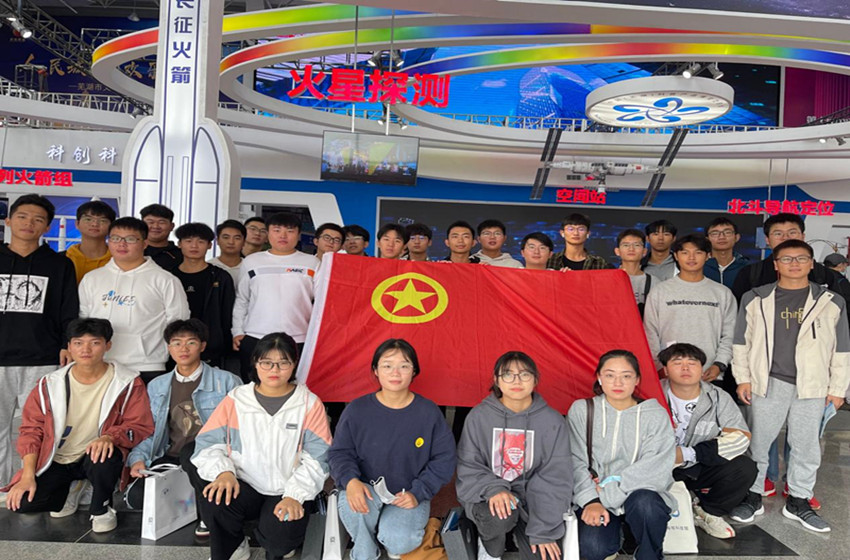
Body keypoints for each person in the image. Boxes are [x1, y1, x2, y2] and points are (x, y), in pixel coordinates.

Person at [730, 239, 850, 533]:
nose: (794, 263)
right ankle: (753, 495)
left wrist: (838, 389)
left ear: (811, 264)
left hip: (813, 386)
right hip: (767, 382)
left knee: (807, 446)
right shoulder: (755, 298)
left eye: (801, 258)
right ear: (776, 264)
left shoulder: (831, 301)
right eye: (786, 259)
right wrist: (743, 378)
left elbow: (842, 349)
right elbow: (741, 342)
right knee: (758, 443)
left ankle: (798, 500)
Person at [2, 318, 154, 532]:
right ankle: (72, 488)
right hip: (58, 457)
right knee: (23, 504)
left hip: (96, 455)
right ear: (69, 347)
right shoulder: (49, 384)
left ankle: (102, 509)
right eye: (78, 343)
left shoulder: (127, 382)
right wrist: (27, 475)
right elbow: (31, 430)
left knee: (103, 453)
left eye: (95, 343)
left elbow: (139, 425)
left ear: (108, 345)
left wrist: (109, 437)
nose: (86, 349)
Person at [193, 332, 331, 560]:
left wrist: (295, 495)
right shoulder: (237, 399)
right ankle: (234, 546)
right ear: (255, 363)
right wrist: (224, 472)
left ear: (294, 364)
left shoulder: (308, 403)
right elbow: (208, 442)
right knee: (215, 499)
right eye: (266, 362)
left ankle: (277, 539)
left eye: (283, 363)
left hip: (286, 489)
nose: (274, 370)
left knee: (279, 542)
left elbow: (319, 458)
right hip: (245, 484)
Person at [328, 339, 456, 560]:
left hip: (408, 493)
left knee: (399, 539)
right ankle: (365, 552)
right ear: (375, 370)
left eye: (404, 366)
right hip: (365, 488)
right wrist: (350, 481)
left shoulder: (428, 412)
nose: (395, 372)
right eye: (387, 365)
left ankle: (391, 540)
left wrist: (419, 492)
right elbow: (340, 452)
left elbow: (444, 458)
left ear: (414, 371)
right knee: (355, 510)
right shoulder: (357, 409)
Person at [125, 319, 241, 538]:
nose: (183, 349)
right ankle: (195, 498)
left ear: (202, 346)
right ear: (169, 348)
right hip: (172, 457)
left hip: (210, 457)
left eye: (191, 342)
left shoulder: (227, 381)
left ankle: (204, 509)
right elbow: (151, 430)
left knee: (210, 486)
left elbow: (238, 429)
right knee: (137, 498)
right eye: (177, 343)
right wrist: (138, 458)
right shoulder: (158, 385)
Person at [456, 351, 572, 560]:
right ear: (496, 380)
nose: (517, 381)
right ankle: (490, 547)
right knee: (499, 517)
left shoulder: (553, 421)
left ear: (535, 379)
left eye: (524, 374)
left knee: (547, 556)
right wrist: (494, 489)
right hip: (488, 497)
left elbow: (555, 477)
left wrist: (543, 530)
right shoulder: (478, 417)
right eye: (508, 374)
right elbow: (469, 465)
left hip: (532, 500)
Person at [1, 194, 79, 489]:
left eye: (38, 219)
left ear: (47, 227)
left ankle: (33, 485)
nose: (28, 223)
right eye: (22, 217)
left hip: (42, 358)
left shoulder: (59, 264)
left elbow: (68, 309)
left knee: (39, 428)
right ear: (9, 221)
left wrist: (67, 343)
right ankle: (2, 487)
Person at [568, 350, 675, 560]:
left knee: (647, 506)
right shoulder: (582, 410)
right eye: (610, 375)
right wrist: (591, 501)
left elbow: (654, 468)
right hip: (594, 496)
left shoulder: (655, 415)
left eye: (626, 376)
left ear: (637, 379)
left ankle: (647, 553)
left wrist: (607, 495)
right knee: (593, 549)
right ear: (599, 377)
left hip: (637, 494)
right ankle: (616, 536)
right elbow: (574, 460)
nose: (618, 382)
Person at [659, 343, 756, 540]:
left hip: (696, 466)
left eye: (692, 363)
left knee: (745, 467)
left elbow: (741, 437)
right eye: (677, 362)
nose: (685, 368)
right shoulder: (652, 392)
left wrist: (690, 453)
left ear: (702, 369)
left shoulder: (718, 397)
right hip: (656, 466)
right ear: (666, 370)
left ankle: (707, 511)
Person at [79, 217, 190, 384]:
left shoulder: (165, 280)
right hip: (100, 363)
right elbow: (83, 319)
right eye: (115, 238)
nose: (122, 244)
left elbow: (178, 322)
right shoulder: (92, 278)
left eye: (130, 239)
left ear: (145, 243)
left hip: (147, 365)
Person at [232, 212, 320, 383]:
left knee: (296, 386)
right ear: (268, 233)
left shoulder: (312, 263)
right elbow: (242, 299)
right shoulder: (251, 261)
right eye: (277, 230)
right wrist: (237, 331)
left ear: (299, 235)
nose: (283, 236)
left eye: (290, 231)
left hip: (300, 338)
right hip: (256, 336)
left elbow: (321, 303)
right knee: (253, 386)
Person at [643, 234, 736, 380]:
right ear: (676, 256)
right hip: (668, 373)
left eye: (698, 252)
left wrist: (719, 364)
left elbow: (730, 334)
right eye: (685, 253)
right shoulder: (660, 291)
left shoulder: (722, 293)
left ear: (708, 256)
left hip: (709, 373)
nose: (691, 258)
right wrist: (660, 367)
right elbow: (650, 332)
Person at [732, 213, 850, 305]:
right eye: (778, 234)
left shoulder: (825, 275)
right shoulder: (750, 274)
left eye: (792, 232)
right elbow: (739, 312)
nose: (785, 238)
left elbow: (839, 311)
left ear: (803, 236)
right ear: (767, 240)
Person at [174, 222, 236, 367]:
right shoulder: (169, 276)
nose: (194, 246)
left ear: (209, 245)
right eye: (188, 241)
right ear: (179, 244)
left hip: (212, 345)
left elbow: (228, 314)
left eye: (201, 242)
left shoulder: (220, 277)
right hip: (177, 345)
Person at [64, 200, 115, 284]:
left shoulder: (118, 260)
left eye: (102, 220)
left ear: (112, 227)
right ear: (77, 224)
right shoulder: (63, 259)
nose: (95, 224)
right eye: (88, 219)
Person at [703, 217, 749, 289]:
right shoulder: (699, 267)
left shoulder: (748, 268)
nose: (721, 237)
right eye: (715, 233)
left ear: (736, 237)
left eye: (727, 232)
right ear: (707, 239)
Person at [614, 229, 651, 317]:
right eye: (626, 245)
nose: (631, 249)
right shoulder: (606, 280)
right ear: (617, 251)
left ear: (644, 251)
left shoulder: (654, 282)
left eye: (637, 245)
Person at [140, 203, 182, 272]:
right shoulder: (133, 250)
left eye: (161, 222)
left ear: (172, 226)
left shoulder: (182, 255)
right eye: (150, 222)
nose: (155, 226)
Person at [209, 219, 246, 286]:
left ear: (244, 242)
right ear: (217, 241)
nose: (231, 242)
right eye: (226, 237)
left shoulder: (249, 266)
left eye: (237, 238)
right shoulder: (210, 267)